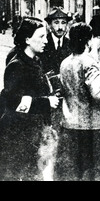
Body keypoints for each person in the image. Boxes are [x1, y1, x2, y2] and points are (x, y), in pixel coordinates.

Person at [0, 17, 60, 181]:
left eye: (46, 36)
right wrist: (45, 103)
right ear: (27, 39)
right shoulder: (17, 65)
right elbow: (13, 102)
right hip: (18, 136)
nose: (46, 41)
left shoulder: (36, 62)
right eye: (41, 37)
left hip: (33, 133)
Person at [56, 22, 100, 181]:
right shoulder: (89, 63)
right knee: (94, 170)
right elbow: (99, 94)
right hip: (91, 125)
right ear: (88, 41)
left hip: (70, 123)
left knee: (75, 170)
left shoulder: (65, 63)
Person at [41, 7, 72, 75]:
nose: (60, 27)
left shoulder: (70, 44)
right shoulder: (43, 43)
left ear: (67, 25)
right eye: (56, 23)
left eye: (63, 23)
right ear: (49, 25)